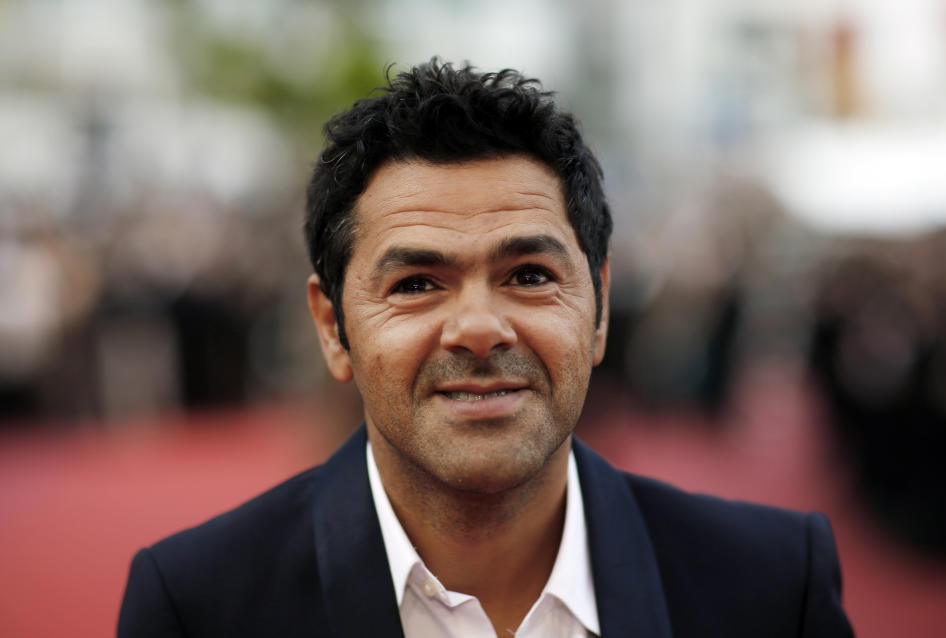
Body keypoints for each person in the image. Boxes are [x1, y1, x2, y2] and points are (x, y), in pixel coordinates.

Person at [118, 59, 854, 638]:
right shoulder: (197, 605)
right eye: (415, 283)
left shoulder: (771, 584)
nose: (478, 327)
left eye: (529, 276)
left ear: (598, 308)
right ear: (332, 327)